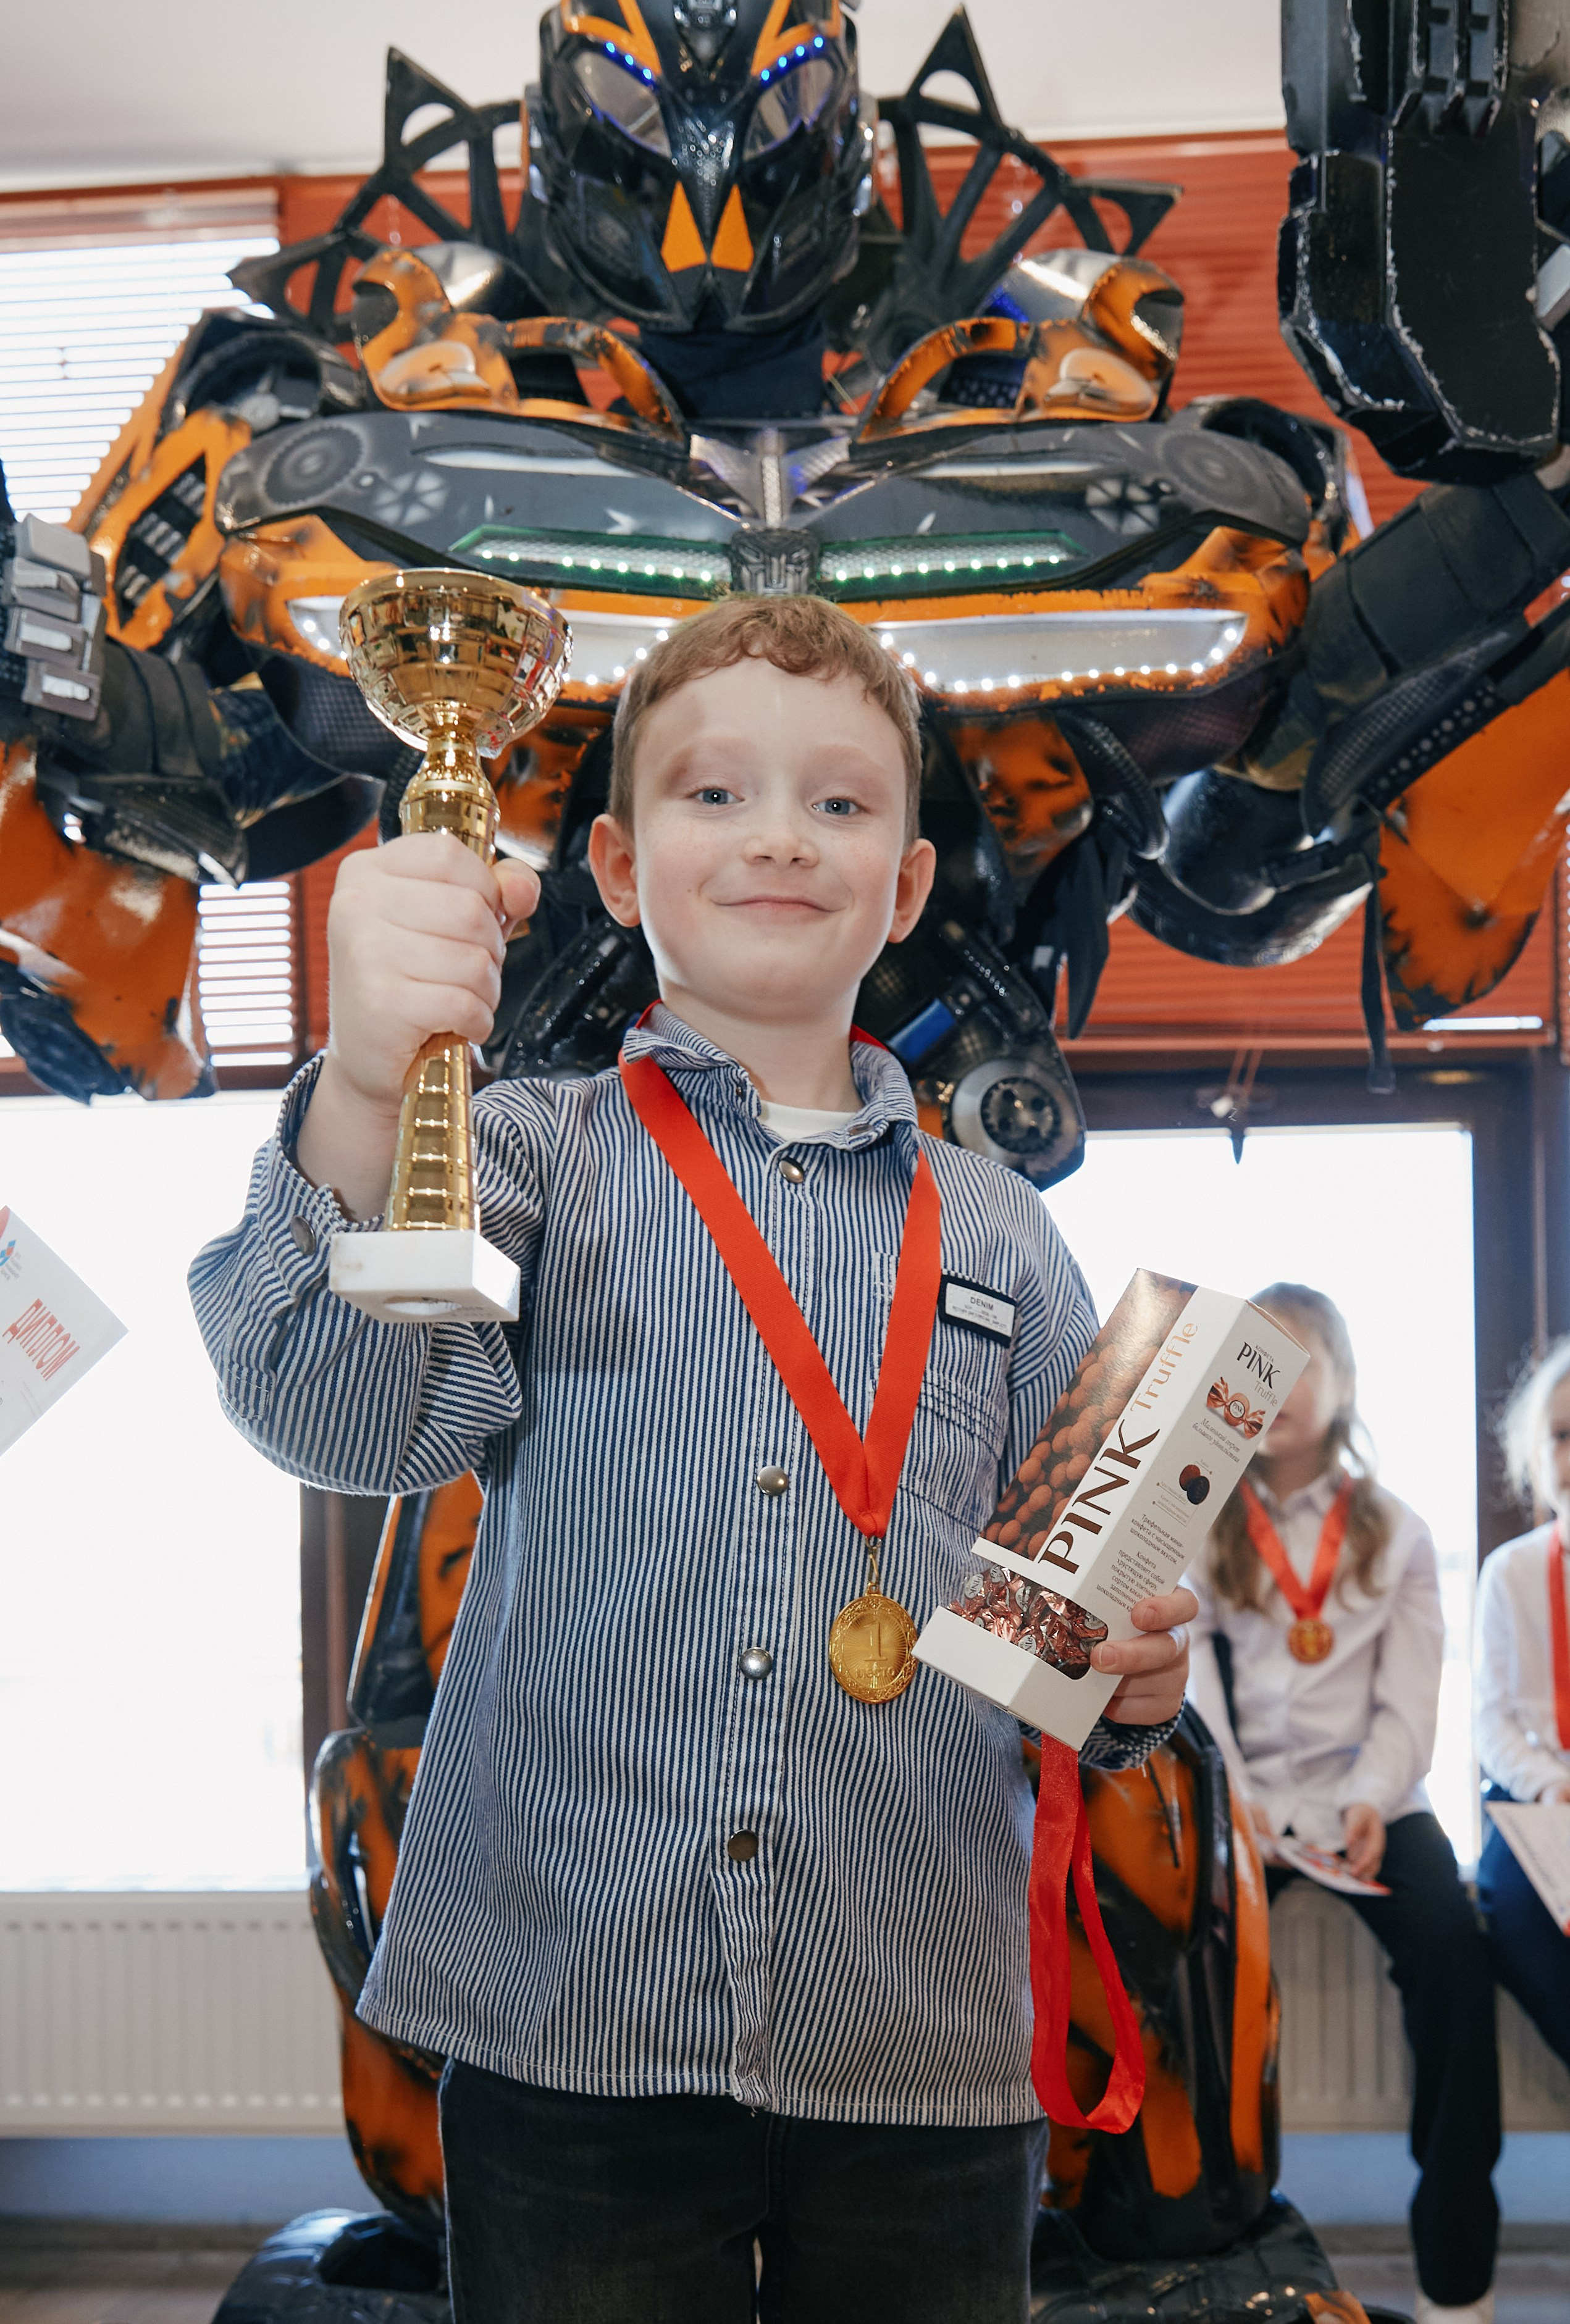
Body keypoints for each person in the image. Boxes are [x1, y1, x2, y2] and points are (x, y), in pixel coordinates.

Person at [189, 595, 1196, 2324]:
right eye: (712, 793)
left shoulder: (1003, 1227)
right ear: (608, 861)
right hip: (572, 2011)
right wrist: (366, 1086)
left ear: (901, 884)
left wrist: (1131, 1679)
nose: (778, 835)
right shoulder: (518, 1151)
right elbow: (335, 1416)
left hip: (919, 2021)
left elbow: (1071, 1636)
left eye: (839, 801)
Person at [1183, 1282, 1498, 2324]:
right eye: (1258, 1359)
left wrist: (1369, 1797)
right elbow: (1194, 1688)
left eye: (1303, 1359)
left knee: (1453, 1947)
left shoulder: (1394, 1529)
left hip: (1371, 1795)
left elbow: (1410, 1702)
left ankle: (1457, 2270)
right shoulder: (1202, 1514)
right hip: (1248, 1800)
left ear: (1345, 1379)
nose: (1281, 1383)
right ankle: (1208, 2244)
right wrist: (1238, 1802)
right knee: (1181, 1963)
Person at [1474, 1340, 1570, 2070]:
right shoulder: (1510, 1572)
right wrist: (1549, 1783)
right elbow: (1493, 1719)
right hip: (1543, 1798)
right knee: (1508, 1908)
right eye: (1561, 1436)